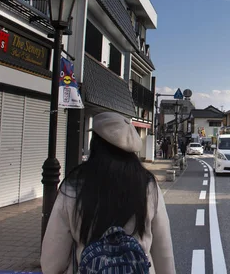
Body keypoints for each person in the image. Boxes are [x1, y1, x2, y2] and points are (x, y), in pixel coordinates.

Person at [41, 112, 176, 274]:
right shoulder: (147, 184)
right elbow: (163, 248)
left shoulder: (74, 185)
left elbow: (52, 260)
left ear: (95, 144)